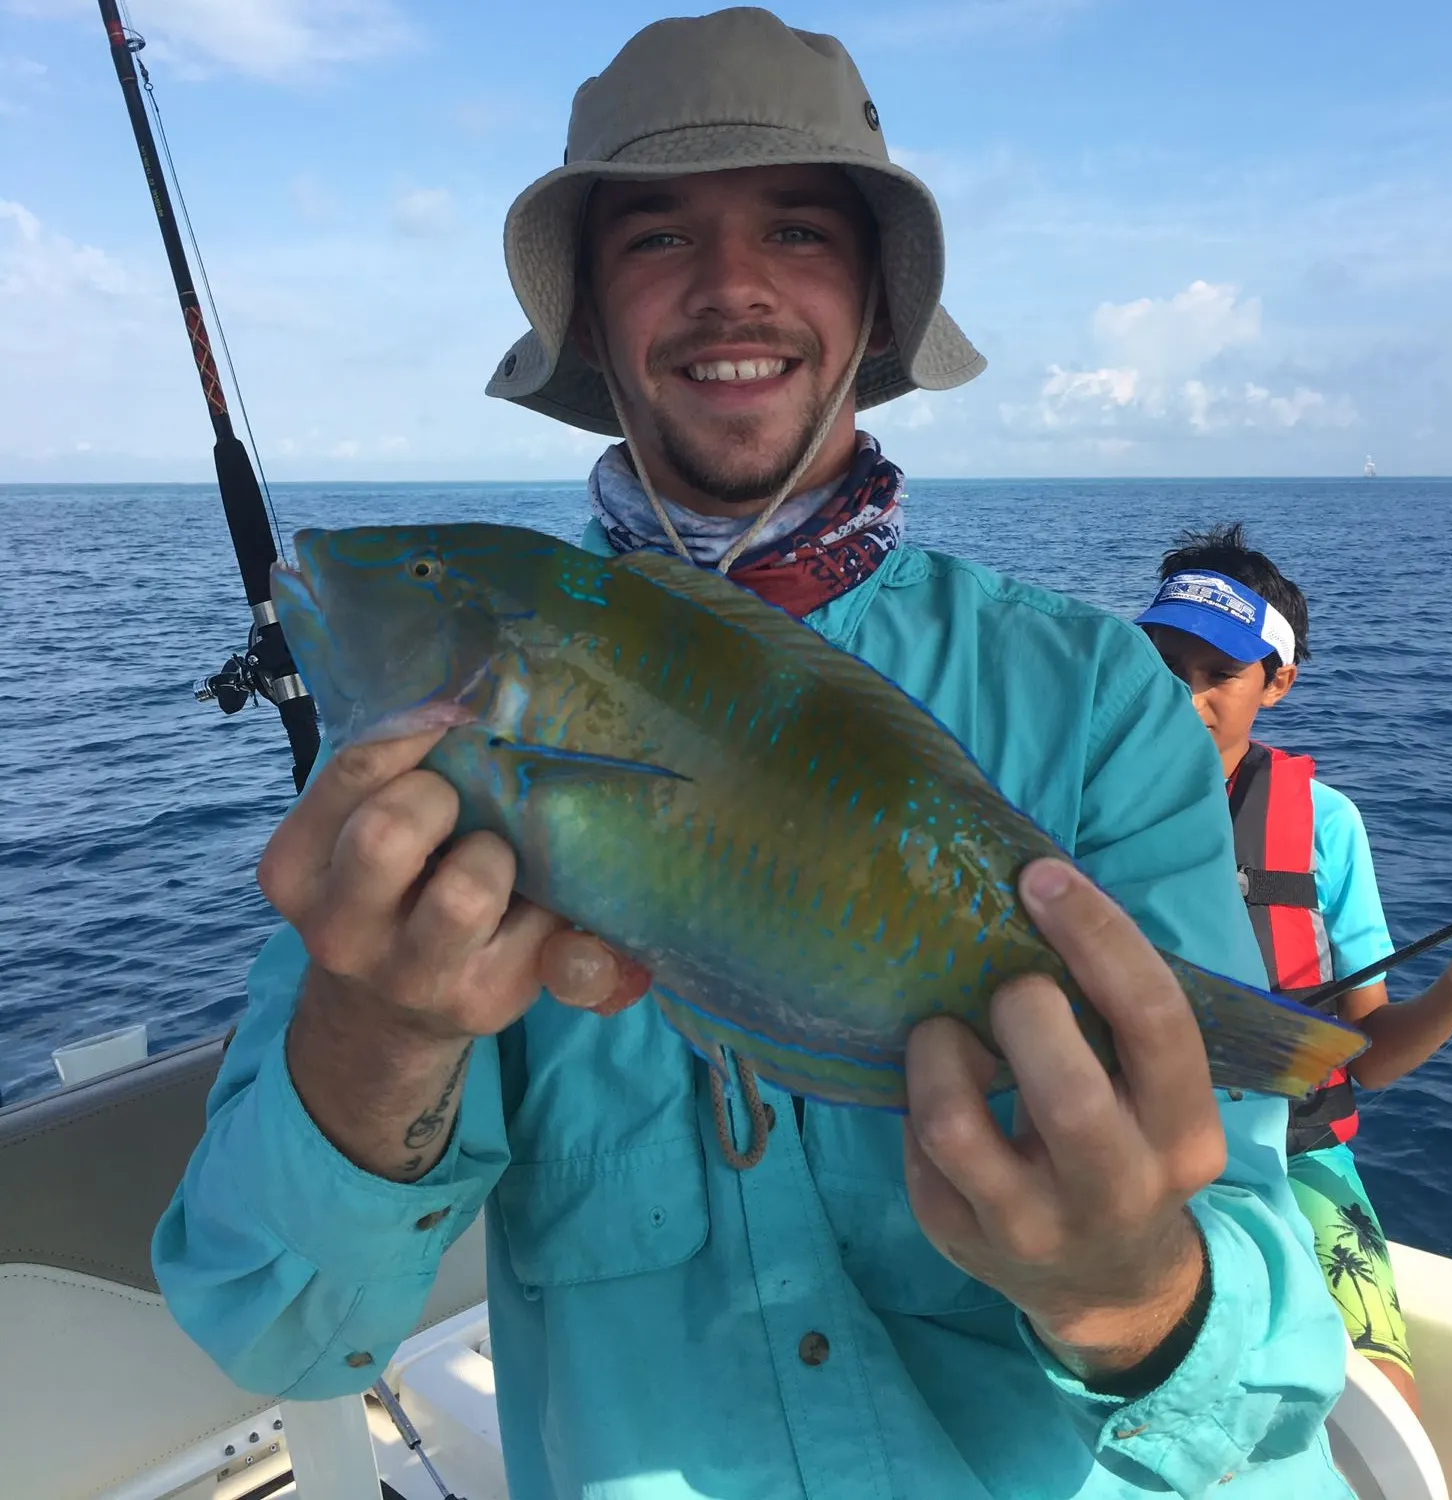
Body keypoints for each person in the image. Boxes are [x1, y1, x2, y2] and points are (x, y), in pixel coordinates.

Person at [153, 13, 1357, 1498]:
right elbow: (270, 1321)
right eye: (657, 237)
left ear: (872, 304)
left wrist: (1131, 1296)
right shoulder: (410, 787)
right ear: (593, 317)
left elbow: (1275, 1368)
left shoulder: (1092, 693)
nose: (732, 286)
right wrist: (375, 1030)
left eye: (797, 227)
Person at [1137, 521, 1452, 1414]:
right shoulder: (1077, 801)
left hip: (1295, 1158)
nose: (1185, 699)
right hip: (1124, 1152)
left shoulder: (1325, 826)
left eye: (1217, 675)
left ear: (1278, 681)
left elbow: (1369, 1055)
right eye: (1161, 666)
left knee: (1384, 1399)